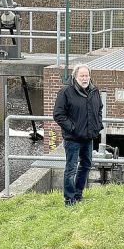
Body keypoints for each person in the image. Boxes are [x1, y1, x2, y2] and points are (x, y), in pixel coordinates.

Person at [52, 64, 103, 206]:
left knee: (86, 165)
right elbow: (58, 114)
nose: (85, 78)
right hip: (73, 138)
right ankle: (69, 199)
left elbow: (99, 109)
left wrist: (97, 125)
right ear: (75, 76)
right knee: (71, 168)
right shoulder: (66, 92)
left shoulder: (94, 91)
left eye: (87, 75)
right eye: (82, 76)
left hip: (88, 137)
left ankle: (78, 195)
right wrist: (73, 128)